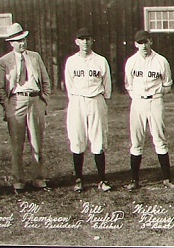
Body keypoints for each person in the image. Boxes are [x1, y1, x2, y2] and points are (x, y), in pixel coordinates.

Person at [0, 23, 52, 191]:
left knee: (37, 143)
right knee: (17, 144)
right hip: (16, 102)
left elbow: (46, 80)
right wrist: (7, 106)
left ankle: (38, 178)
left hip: (35, 101)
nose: (22, 43)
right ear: (11, 43)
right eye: (18, 41)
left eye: (24, 39)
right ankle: (18, 180)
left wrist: (44, 100)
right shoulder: (4, 61)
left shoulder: (35, 56)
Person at [124, 30, 174, 191]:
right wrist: (137, 96)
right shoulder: (131, 61)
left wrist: (156, 93)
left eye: (146, 42)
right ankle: (134, 180)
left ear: (151, 42)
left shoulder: (161, 61)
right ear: (135, 44)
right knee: (136, 140)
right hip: (138, 102)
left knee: (160, 139)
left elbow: (167, 84)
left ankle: (167, 179)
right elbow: (129, 84)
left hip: (155, 101)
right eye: (140, 43)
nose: (143, 45)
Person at [64, 28, 113, 192]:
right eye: (81, 39)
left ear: (92, 41)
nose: (85, 42)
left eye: (88, 39)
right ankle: (79, 179)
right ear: (76, 41)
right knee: (77, 139)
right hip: (77, 101)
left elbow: (107, 86)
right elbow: (69, 85)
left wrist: (100, 98)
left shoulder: (100, 60)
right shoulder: (71, 61)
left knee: (98, 139)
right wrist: (77, 98)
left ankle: (102, 179)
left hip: (95, 100)